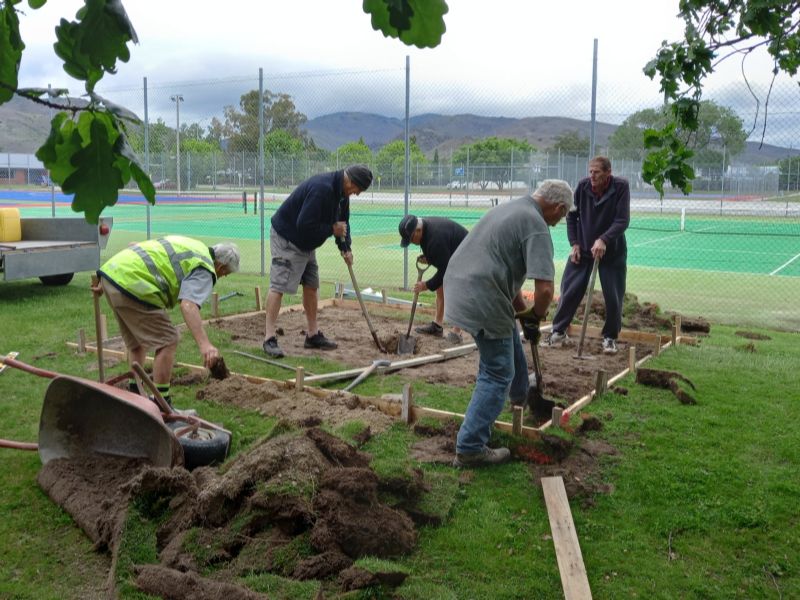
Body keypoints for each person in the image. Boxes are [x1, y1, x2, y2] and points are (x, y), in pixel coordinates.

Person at [444, 179, 574, 468]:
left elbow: (503, 269)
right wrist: (536, 316)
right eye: (562, 216)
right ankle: (470, 447)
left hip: (460, 285)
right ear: (558, 207)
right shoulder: (537, 225)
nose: (558, 223)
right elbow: (544, 291)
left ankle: (521, 396)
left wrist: (523, 313)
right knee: (497, 370)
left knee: (507, 338)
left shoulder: (512, 209)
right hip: (482, 294)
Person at [94, 236, 240, 404]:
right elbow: (188, 305)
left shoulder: (194, 247)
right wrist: (205, 345)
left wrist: (105, 278)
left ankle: (135, 392)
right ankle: (161, 401)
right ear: (220, 266)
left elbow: (136, 245)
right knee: (168, 340)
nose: (222, 277)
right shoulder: (205, 268)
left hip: (111, 276)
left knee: (137, 342)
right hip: (133, 285)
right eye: (224, 273)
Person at [263, 164, 373, 358]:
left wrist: (346, 248)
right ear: (350, 181)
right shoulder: (322, 189)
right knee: (279, 286)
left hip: (307, 243)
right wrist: (332, 229)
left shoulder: (342, 195)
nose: (356, 194)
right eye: (357, 190)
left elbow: (343, 224)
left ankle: (312, 335)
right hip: (288, 237)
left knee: (312, 285)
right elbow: (304, 224)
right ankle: (269, 337)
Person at [545, 156, 630, 355]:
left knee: (613, 295)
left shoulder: (621, 187)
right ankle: (558, 331)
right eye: (590, 171)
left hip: (612, 251)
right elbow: (572, 215)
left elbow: (622, 220)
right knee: (570, 289)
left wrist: (604, 240)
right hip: (583, 249)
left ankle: (610, 338)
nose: (592, 175)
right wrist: (574, 243)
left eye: (596, 172)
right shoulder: (583, 187)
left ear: (608, 173)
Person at [398, 214, 468, 344]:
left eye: (412, 238)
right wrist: (429, 257)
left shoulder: (435, 238)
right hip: (454, 254)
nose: (412, 242)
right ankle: (437, 326)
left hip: (468, 255)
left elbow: (445, 270)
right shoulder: (425, 229)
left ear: (418, 231)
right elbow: (441, 255)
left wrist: (426, 285)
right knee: (439, 288)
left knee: (458, 290)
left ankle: (457, 332)